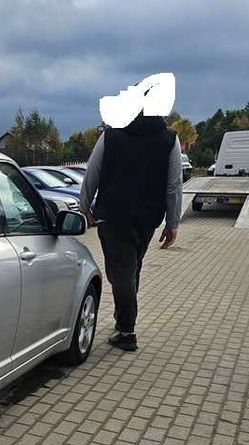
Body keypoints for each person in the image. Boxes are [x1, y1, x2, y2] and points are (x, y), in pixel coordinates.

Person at [79, 113, 182, 352]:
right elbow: (174, 184)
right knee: (130, 267)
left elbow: (92, 171)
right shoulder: (169, 139)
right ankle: (123, 317)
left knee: (121, 272)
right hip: (147, 218)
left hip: (113, 216)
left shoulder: (111, 135)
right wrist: (172, 222)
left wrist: (84, 207)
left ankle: (126, 330)